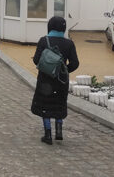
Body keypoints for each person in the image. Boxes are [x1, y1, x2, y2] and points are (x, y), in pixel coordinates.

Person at [31, 16, 79, 145]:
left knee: (45, 106)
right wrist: (63, 71)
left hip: (45, 81)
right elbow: (75, 63)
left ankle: (47, 135)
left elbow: (36, 60)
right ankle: (59, 132)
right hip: (61, 82)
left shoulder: (43, 40)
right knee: (59, 105)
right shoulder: (69, 43)